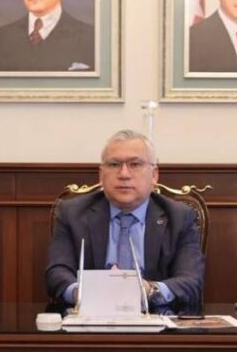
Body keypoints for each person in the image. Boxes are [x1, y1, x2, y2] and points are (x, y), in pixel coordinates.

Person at [46, 130, 205, 309]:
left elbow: (191, 281)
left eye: (135, 164)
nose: (124, 174)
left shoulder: (180, 217)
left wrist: (149, 290)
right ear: (101, 175)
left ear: (154, 175)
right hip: (91, 315)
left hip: (156, 317)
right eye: (114, 164)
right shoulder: (72, 213)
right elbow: (57, 273)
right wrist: (81, 293)